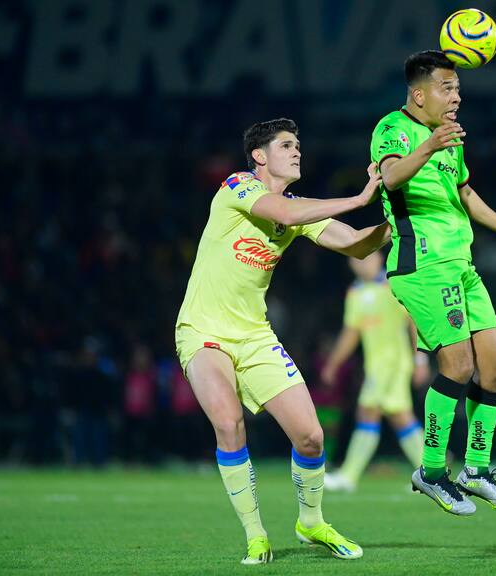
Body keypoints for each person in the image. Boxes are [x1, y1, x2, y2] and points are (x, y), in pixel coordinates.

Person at [175, 118, 389, 564]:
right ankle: (256, 535)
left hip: (255, 336)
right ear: (259, 155)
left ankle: (310, 522)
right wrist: (360, 196)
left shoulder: (294, 206)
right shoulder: (238, 186)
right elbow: (287, 214)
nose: (297, 152)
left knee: (311, 437)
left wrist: (401, 220)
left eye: (298, 145)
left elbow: (355, 245)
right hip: (203, 331)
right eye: (287, 145)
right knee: (229, 422)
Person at [369, 51, 496, 515]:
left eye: (458, 89)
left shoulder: (450, 139)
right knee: (457, 365)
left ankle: (475, 469)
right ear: (419, 94)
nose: (456, 97)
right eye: (447, 89)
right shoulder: (393, 129)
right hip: (422, 264)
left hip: (460, 265)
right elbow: (391, 178)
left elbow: (464, 192)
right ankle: (431, 472)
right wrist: (430, 144)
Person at [320, 251, 430, 492]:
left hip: (394, 362)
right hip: (376, 366)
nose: (361, 263)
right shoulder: (356, 292)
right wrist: (333, 363)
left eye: (366, 257)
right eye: (356, 258)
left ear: (379, 259)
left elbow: (414, 321)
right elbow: (351, 332)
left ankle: (348, 476)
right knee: (400, 416)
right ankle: (431, 473)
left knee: (367, 411)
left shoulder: (392, 285)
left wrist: (420, 359)